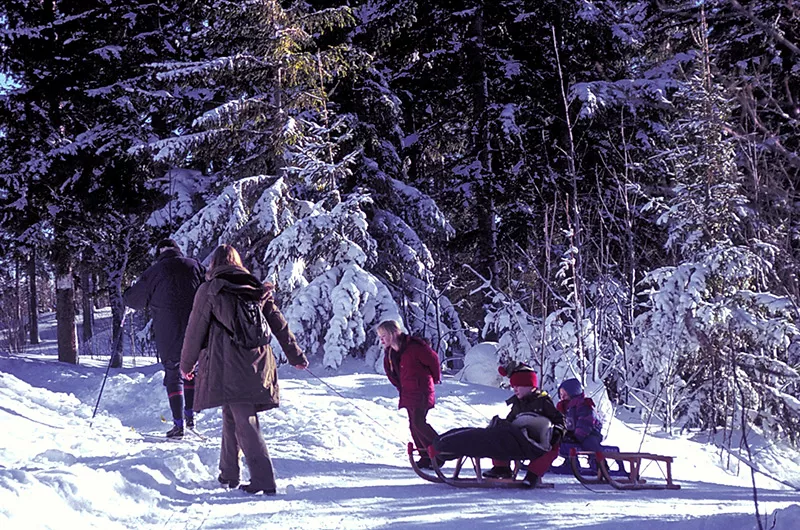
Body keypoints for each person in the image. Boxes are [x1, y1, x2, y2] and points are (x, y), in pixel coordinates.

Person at [180, 244, 308, 495]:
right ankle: (228, 474)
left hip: (229, 365)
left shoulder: (210, 289)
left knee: (245, 421)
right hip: (259, 363)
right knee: (232, 414)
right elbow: (279, 324)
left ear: (213, 265)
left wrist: (186, 365)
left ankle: (264, 479)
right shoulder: (256, 288)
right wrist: (296, 355)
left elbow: (195, 330)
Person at [430, 363, 565, 488]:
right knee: (495, 433)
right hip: (518, 441)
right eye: (513, 387)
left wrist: (557, 432)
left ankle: (533, 476)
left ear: (530, 386)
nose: (515, 389)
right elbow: (511, 421)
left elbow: (559, 420)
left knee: (500, 437)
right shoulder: (518, 404)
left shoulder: (543, 402)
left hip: (535, 443)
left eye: (518, 386)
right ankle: (501, 467)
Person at [123, 238, 205, 438]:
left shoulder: (154, 271)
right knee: (191, 370)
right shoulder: (194, 266)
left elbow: (134, 300)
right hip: (195, 327)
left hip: (167, 330)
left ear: (160, 252)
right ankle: (191, 418)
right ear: (178, 250)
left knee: (173, 372)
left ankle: (178, 424)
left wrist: (126, 293)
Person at [378, 319, 442, 469]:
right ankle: (425, 455)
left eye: (383, 336)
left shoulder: (414, 347)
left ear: (393, 333)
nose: (381, 340)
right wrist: (400, 386)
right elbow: (391, 372)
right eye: (380, 337)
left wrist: (434, 378)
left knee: (419, 422)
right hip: (408, 392)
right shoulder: (390, 353)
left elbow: (433, 360)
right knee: (413, 425)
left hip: (421, 390)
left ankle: (441, 451)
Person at [556, 378, 604, 452]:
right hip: (574, 434)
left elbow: (585, 422)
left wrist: (578, 436)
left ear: (573, 393)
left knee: (589, 444)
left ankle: (598, 462)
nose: (562, 397)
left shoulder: (583, 404)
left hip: (591, 433)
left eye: (565, 394)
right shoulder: (564, 407)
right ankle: (570, 462)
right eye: (561, 394)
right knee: (563, 444)